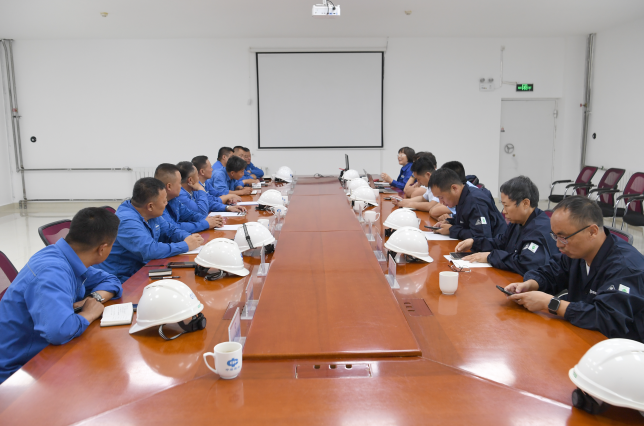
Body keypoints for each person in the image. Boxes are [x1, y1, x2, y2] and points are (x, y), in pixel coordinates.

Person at [0, 207, 122, 383]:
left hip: (43, 350)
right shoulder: (52, 271)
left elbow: (111, 280)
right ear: (102, 249)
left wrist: (93, 299)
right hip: (18, 370)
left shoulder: (70, 257)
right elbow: (58, 331)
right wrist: (89, 313)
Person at [504, 196, 644, 342]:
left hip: (621, 346)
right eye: (555, 236)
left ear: (592, 232)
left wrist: (551, 303)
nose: (558, 244)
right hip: (580, 333)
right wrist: (529, 285)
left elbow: (606, 318)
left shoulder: (626, 268)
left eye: (563, 237)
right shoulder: (578, 252)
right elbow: (552, 272)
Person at [95, 177, 203, 282]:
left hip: (142, 268)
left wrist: (188, 238)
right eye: (164, 201)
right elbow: (149, 250)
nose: (166, 203)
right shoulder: (126, 220)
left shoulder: (150, 213)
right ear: (150, 206)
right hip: (121, 279)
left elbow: (171, 230)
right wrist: (185, 245)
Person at [455, 176, 559, 275]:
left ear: (525, 203)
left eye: (506, 205)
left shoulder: (540, 229)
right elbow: (501, 242)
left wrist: (490, 256)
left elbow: (527, 263)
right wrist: (475, 242)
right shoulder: (518, 222)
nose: (504, 211)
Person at [429, 168, 507, 239]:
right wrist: (449, 222)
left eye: (441, 197)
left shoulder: (475, 201)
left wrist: (451, 230)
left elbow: (481, 237)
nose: (441, 202)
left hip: (496, 247)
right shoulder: (462, 197)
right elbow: (466, 221)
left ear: (454, 188)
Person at [154, 163, 224, 233]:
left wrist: (210, 219)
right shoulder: (157, 206)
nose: (181, 186)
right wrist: (206, 223)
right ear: (169, 186)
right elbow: (174, 227)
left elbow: (190, 214)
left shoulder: (173, 199)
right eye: (179, 183)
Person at [176, 161, 247, 216]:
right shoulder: (181, 195)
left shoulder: (193, 190)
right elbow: (202, 213)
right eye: (197, 176)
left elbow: (208, 202)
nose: (198, 179)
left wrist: (227, 207)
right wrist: (201, 189)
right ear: (190, 180)